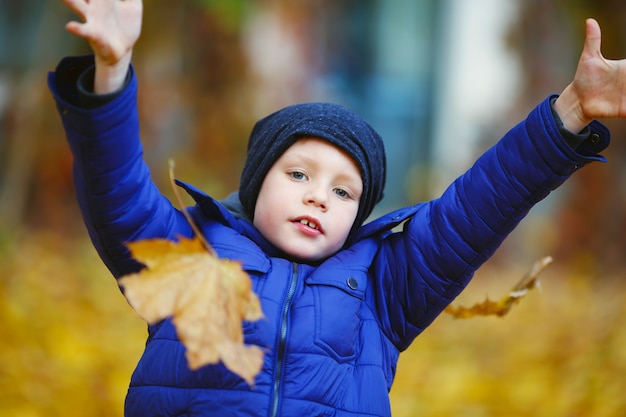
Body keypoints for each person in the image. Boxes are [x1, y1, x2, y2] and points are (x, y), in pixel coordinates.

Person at [49, 0, 626, 416]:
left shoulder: (385, 287)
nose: (318, 195)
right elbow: (116, 192)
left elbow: (479, 205)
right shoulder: (191, 258)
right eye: (298, 174)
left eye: (343, 191)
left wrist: (572, 110)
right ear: (255, 186)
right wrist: (112, 72)